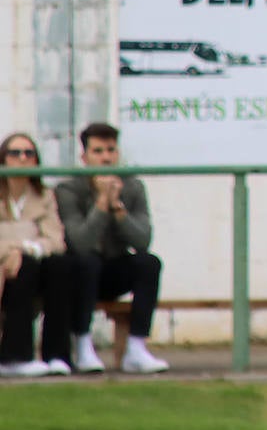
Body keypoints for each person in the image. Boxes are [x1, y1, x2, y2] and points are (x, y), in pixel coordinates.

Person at [55, 122, 170, 375]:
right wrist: (101, 203)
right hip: (81, 275)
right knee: (86, 260)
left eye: (110, 150)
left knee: (149, 262)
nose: (106, 157)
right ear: (84, 157)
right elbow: (79, 241)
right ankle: (83, 345)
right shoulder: (68, 189)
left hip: (115, 269)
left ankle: (137, 349)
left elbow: (142, 241)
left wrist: (117, 207)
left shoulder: (132, 186)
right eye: (98, 151)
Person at [0, 132, 74, 377]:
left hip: (30, 266)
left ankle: (57, 355)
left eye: (28, 153)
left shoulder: (44, 197)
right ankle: (15, 356)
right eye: (15, 153)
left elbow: (55, 240)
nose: (22, 158)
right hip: (5, 269)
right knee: (27, 266)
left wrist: (21, 249)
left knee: (59, 266)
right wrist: (12, 251)